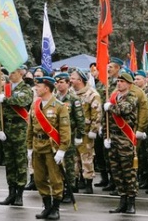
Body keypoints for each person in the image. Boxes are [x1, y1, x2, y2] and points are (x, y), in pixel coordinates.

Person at [26, 76, 70, 220]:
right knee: (39, 179)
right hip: (37, 146)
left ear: (46, 88)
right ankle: (46, 206)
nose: (36, 89)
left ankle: (55, 208)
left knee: (55, 179)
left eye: (38, 86)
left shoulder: (59, 106)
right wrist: (29, 148)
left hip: (52, 148)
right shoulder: (35, 105)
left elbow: (65, 130)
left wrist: (62, 149)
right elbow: (30, 129)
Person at [103, 71, 139, 214]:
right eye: (118, 81)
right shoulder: (113, 97)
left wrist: (109, 107)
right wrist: (106, 135)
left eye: (122, 81)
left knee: (128, 171)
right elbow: (106, 119)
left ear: (129, 84)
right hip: (113, 137)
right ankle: (122, 200)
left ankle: (131, 202)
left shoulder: (131, 97)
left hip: (125, 138)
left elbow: (123, 110)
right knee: (116, 171)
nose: (119, 83)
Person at [0, 68, 33, 207]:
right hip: (7, 129)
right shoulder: (5, 88)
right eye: (9, 73)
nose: (10, 75)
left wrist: (6, 98)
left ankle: (19, 194)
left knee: (20, 162)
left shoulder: (26, 88)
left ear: (20, 73)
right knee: (10, 162)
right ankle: (11, 192)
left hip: (21, 129)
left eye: (13, 72)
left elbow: (22, 101)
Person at [54, 72, 84, 204]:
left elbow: (80, 118)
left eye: (62, 82)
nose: (59, 85)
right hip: (56, 135)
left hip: (69, 136)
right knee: (57, 164)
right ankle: (59, 190)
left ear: (68, 83)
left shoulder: (73, 99)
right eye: (57, 82)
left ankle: (70, 189)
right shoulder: (54, 98)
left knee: (70, 164)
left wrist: (79, 135)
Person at [70, 69, 102, 194]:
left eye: (73, 78)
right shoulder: (71, 93)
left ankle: (88, 183)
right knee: (73, 158)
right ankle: (75, 182)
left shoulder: (92, 94)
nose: (70, 80)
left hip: (86, 132)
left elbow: (97, 113)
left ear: (80, 80)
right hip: (73, 131)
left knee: (86, 158)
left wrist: (94, 130)